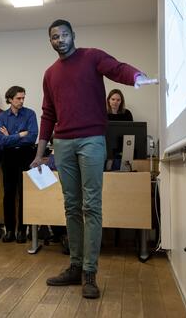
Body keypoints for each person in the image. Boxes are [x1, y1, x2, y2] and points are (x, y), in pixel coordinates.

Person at [31, 19, 153, 299]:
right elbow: (48, 114)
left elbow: (117, 68)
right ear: (50, 41)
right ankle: (74, 266)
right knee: (72, 207)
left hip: (91, 141)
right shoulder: (50, 74)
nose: (59, 40)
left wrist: (136, 76)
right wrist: (40, 154)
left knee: (92, 206)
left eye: (63, 35)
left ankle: (89, 272)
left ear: (73, 35)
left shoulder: (92, 56)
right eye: (54, 37)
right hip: (62, 144)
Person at [0, 86, 38, 244]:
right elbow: (1, 140)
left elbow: (32, 137)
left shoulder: (30, 114)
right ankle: (10, 230)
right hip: (8, 156)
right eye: (18, 98)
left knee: (23, 193)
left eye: (23, 98)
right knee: (8, 193)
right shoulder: (1, 117)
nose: (21, 101)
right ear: (10, 99)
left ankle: (22, 229)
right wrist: (20, 134)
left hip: (26, 154)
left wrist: (11, 137)